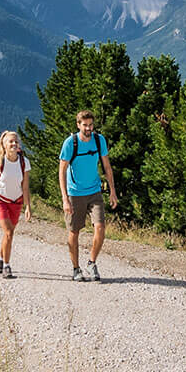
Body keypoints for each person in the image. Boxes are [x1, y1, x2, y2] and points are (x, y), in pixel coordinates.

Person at [58, 109, 116, 282]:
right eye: (85, 125)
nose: (88, 128)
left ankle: (92, 263)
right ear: (78, 125)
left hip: (94, 191)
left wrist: (112, 191)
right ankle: (76, 269)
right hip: (75, 193)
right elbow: (62, 171)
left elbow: (107, 167)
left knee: (100, 228)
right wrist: (65, 198)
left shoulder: (99, 141)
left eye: (91, 125)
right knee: (74, 231)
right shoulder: (71, 143)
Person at [0, 129, 30, 278]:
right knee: (9, 232)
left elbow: (25, 186)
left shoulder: (24, 162)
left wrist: (28, 206)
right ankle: (7, 266)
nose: (14, 144)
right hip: (0, 201)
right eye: (11, 141)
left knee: (8, 234)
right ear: (4, 145)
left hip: (16, 202)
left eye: (16, 141)